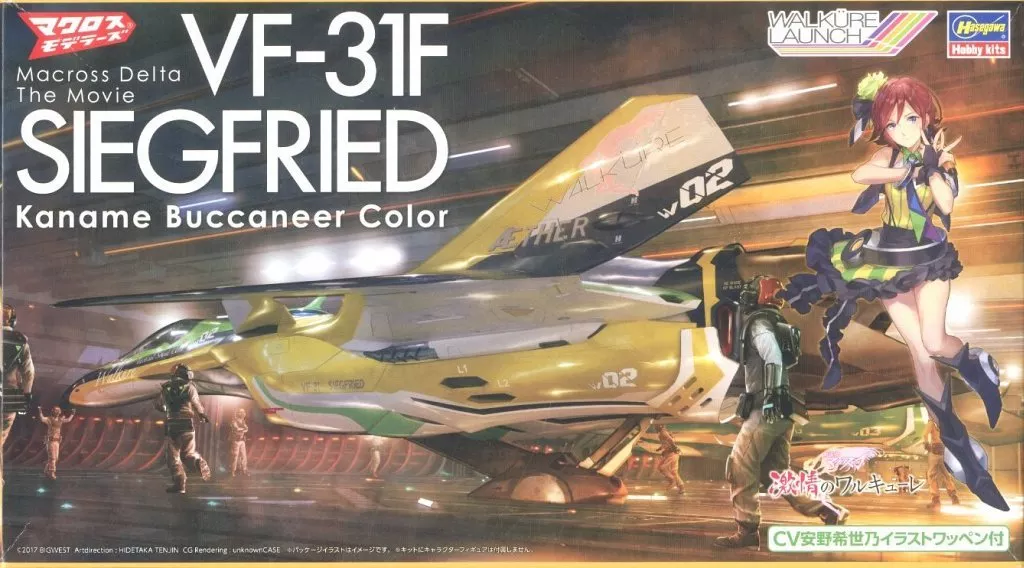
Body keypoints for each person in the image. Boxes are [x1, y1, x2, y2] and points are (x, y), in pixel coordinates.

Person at [780, 72, 1007, 511]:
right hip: (888, 260)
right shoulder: (890, 154)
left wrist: (934, 166)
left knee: (934, 343)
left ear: (925, 116)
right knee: (919, 356)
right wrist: (906, 168)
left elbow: (946, 204)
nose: (903, 129)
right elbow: (860, 173)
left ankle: (976, 363)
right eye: (892, 123)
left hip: (930, 257)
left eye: (911, 119)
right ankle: (961, 450)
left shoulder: (942, 155)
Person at [715, 276, 849, 549]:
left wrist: (771, 396)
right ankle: (826, 510)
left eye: (752, 290)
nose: (746, 294)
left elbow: (773, 356)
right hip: (784, 408)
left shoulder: (759, 323)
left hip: (767, 406)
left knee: (740, 465)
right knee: (775, 472)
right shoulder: (776, 321)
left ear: (760, 296)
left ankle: (747, 529)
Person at [154, 363, 211, 493]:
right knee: (188, 454)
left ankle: (180, 485)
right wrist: (202, 415)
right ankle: (197, 462)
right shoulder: (190, 387)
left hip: (172, 425)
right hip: (187, 425)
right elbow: (196, 403)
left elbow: (158, 405)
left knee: (173, 458)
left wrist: (167, 409)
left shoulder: (166, 387)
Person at [2, 304, 35, 447]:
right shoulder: (21, 341)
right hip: (9, 398)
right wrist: (27, 395)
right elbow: (28, 373)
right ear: (13, 321)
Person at [923, 417, 960, 510]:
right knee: (946, 475)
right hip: (945, 451)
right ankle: (954, 497)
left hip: (935, 450)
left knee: (931, 475)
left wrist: (927, 444)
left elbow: (925, 434)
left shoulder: (932, 422)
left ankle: (936, 500)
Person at [38, 406, 75, 480]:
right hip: (51, 441)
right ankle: (52, 472)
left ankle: (46, 470)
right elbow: (42, 418)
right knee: (52, 458)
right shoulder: (49, 419)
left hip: (57, 441)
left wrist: (72, 413)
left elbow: (68, 420)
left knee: (56, 458)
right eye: (56, 410)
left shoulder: (60, 419)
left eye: (58, 410)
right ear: (53, 411)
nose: (57, 411)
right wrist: (40, 411)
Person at [654, 425, 685, 494]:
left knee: (662, 468)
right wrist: (660, 448)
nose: (655, 428)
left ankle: (672, 481)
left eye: (656, 426)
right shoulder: (662, 434)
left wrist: (674, 448)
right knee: (673, 472)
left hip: (672, 454)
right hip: (670, 454)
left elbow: (670, 441)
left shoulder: (663, 433)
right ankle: (681, 487)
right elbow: (666, 443)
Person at [228, 408, 249, 477]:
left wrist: (241, 429)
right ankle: (232, 471)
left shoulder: (242, 421)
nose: (243, 414)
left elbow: (246, 429)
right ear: (238, 413)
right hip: (236, 440)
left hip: (242, 440)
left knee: (244, 456)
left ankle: (244, 470)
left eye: (243, 412)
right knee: (235, 456)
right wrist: (243, 429)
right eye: (241, 412)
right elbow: (236, 429)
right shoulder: (234, 421)